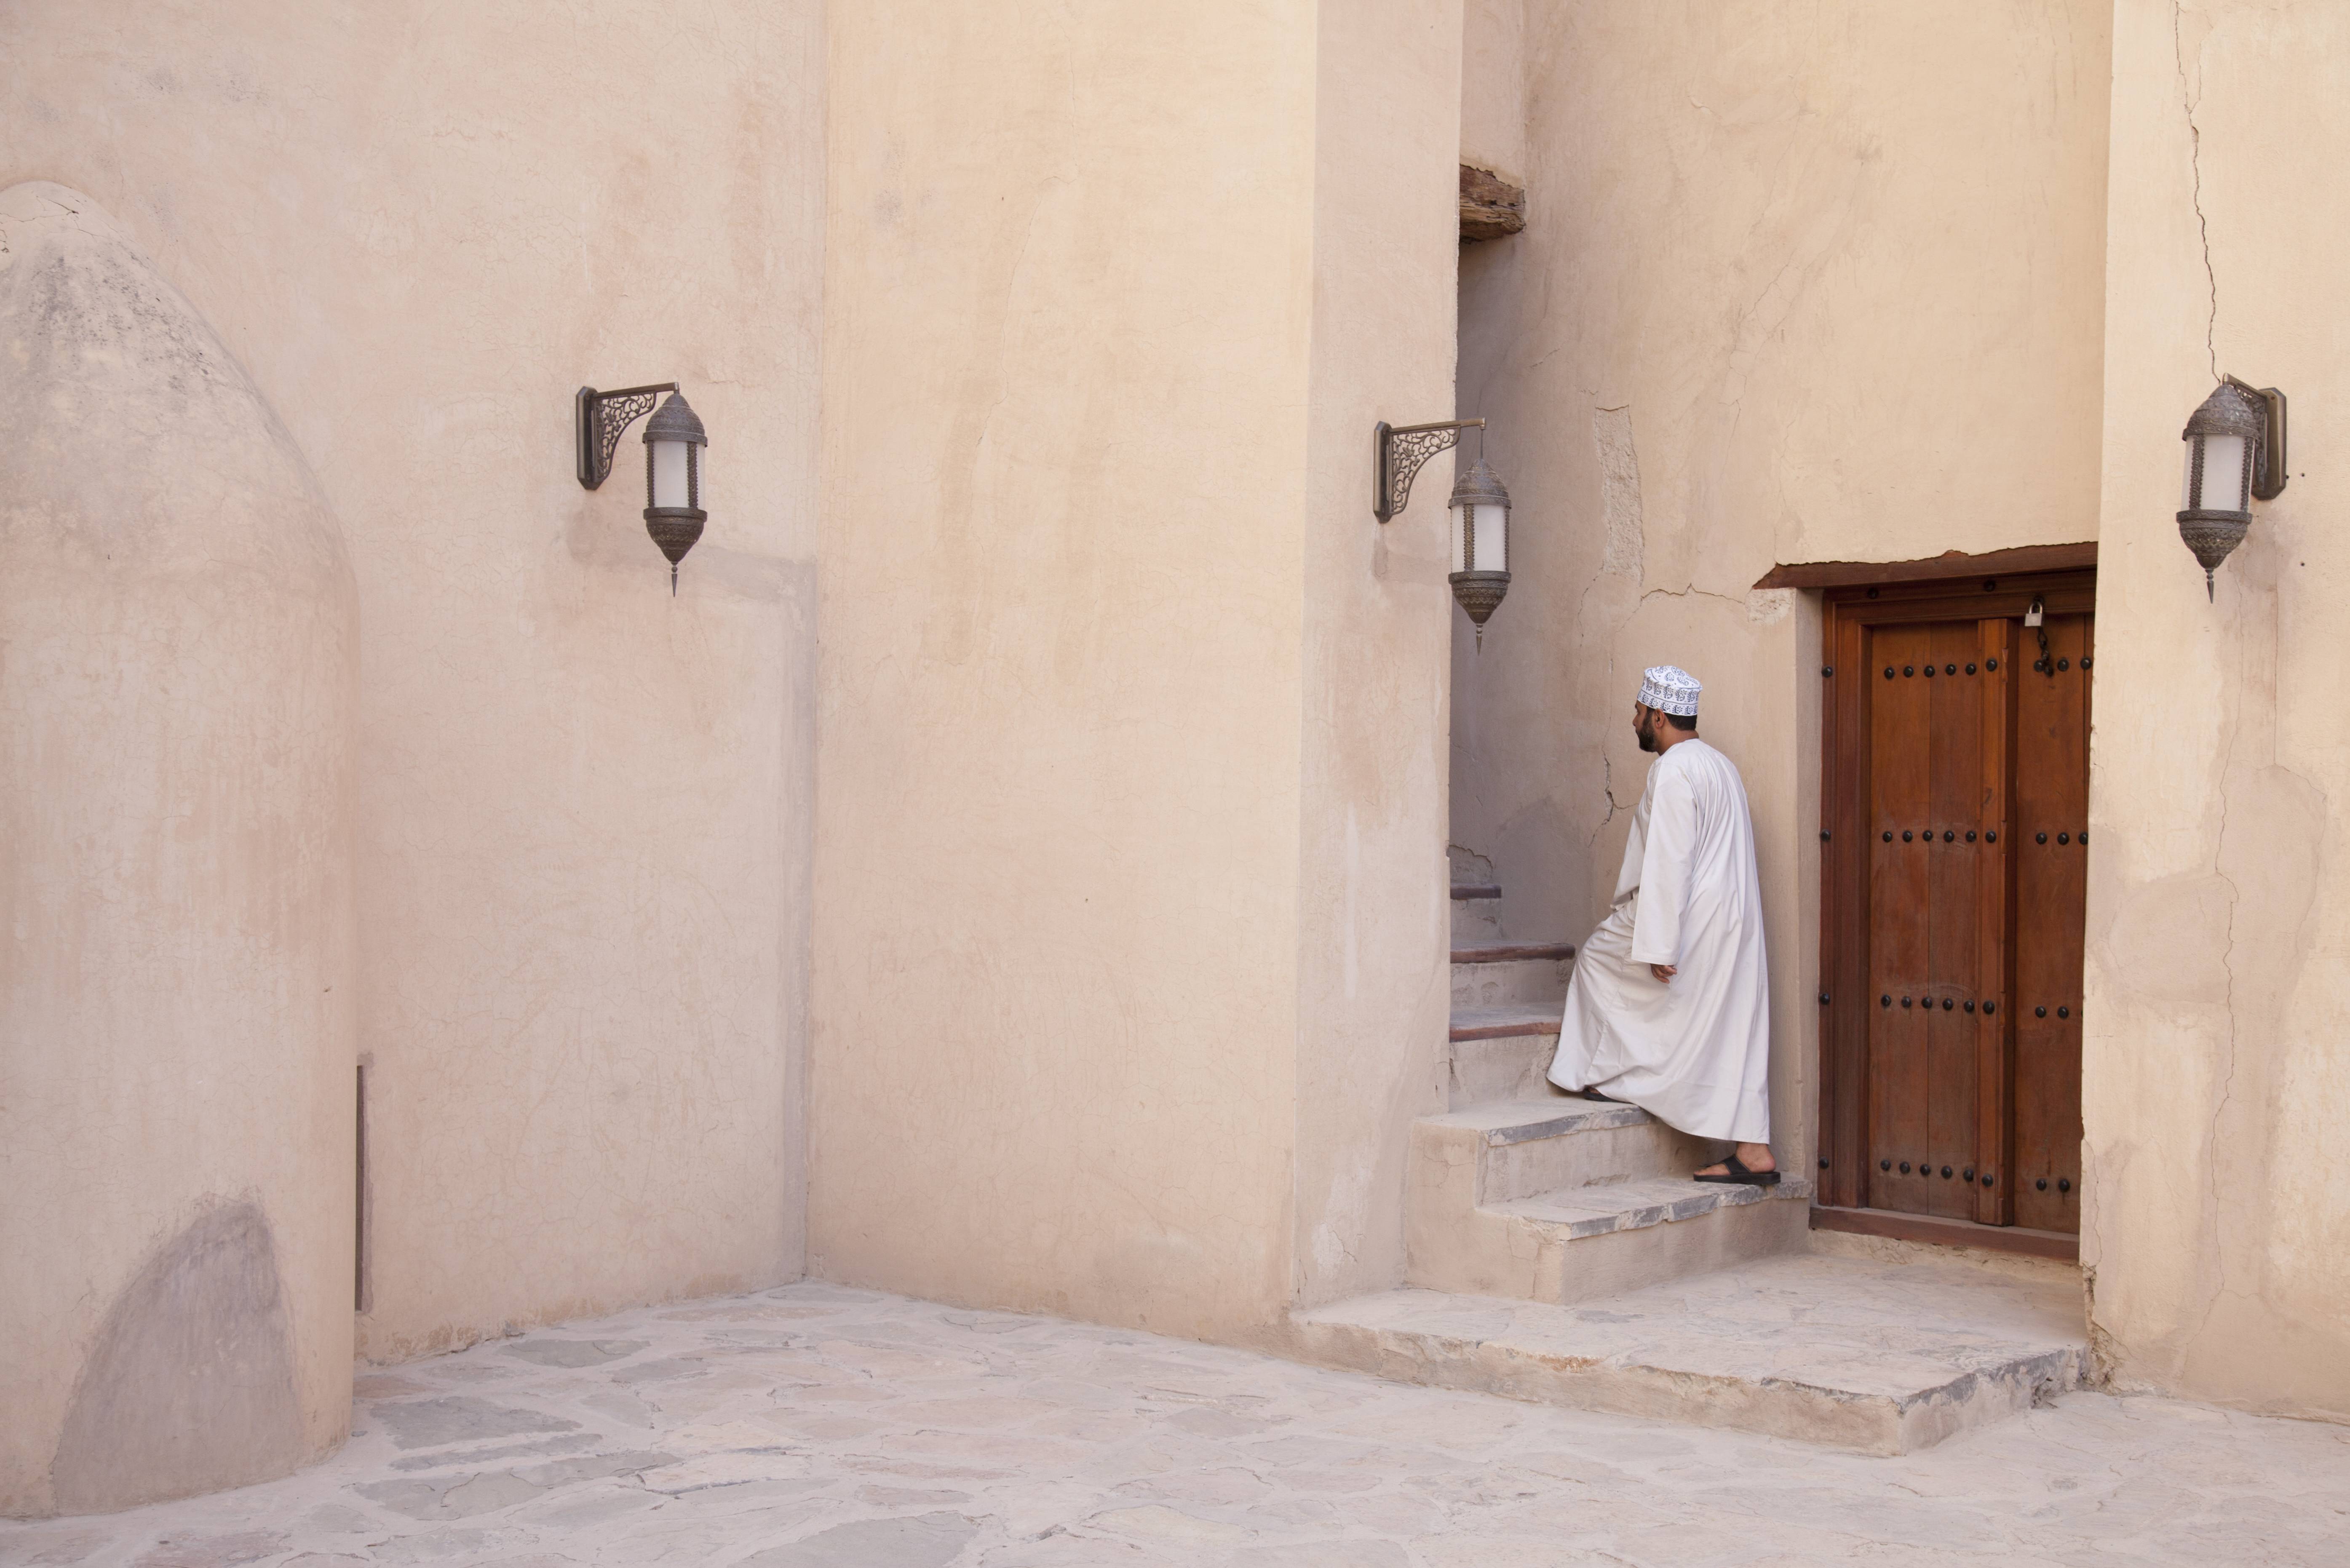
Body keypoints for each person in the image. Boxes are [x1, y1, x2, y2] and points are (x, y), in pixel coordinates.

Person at [1546, 665, 1777, 1185]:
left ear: (1657, 716)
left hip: (1692, 912)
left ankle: (1609, 1075)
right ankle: (1754, 1149)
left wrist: (1658, 943)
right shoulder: (1720, 764)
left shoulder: (1673, 769)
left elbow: (1669, 861)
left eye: (1637, 712)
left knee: (1597, 959)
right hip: (1733, 917)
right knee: (1730, 1025)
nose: (1633, 722)